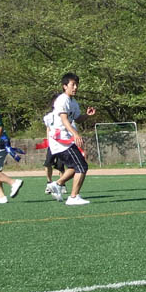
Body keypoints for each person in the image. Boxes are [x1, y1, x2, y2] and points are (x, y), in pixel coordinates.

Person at [46, 73, 96, 205]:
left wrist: (87, 115)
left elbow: (77, 119)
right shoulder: (62, 100)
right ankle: (73, 197)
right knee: (82, 166)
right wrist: (75, 134)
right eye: (72, 85)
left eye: (76, 85)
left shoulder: (73, 102)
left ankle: (57, 184)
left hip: (65, 140)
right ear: (65, 86)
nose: (75, 87)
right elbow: (64, 120)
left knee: (76, 166)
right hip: (60, 140)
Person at [42, 94, 66, 193]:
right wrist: (48, 141)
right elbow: (48, 128)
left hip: (62, 144)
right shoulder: (49, 116)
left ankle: (62, 184)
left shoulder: (65, 115)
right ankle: (49, 183)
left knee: (60, 166)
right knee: (48, 163)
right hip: (52, 144)